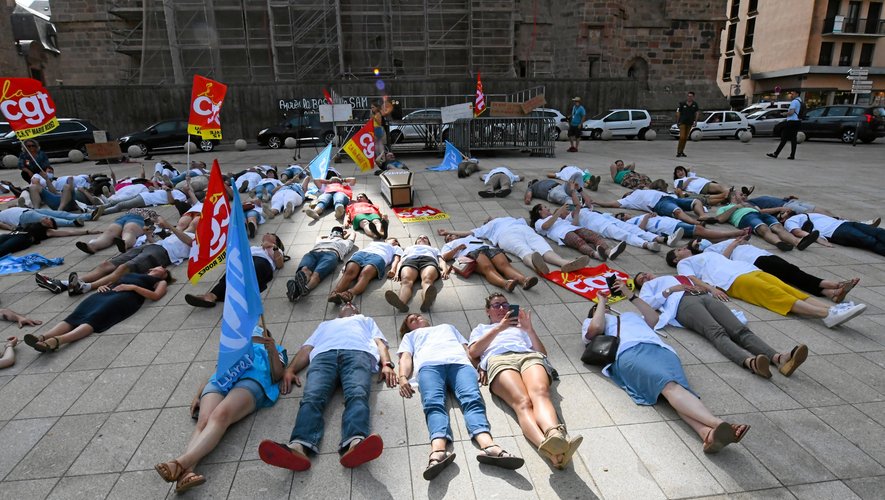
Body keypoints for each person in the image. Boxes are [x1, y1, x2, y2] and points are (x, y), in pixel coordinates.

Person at [583, 286, 750, 453]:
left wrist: (629, 295)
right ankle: (718, 424)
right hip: (630, 352)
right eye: (597, 309)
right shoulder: (591, 322)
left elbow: (654, 318)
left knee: (677, 390)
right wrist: (601, 302)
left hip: (662, 350)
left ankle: (707, 434)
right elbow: (594, 329)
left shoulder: (629, 316)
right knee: (670, 386)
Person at [258, 302, 397, 471]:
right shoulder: (324, 325)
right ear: (338, 312)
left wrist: (387, 364)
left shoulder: (365, 320)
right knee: (312, 398)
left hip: (357, 354)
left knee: (358, 394)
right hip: (324, 357)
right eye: (345, 303)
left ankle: (356, 442)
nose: (348, 304)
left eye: (352, 303)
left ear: (357, 310)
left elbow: (380, 343)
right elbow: (307, 348)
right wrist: (291, 369)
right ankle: (298, 447)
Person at [154, 328, 286, 493]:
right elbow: (217, 369)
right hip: (223, 378)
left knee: (221, 415)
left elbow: (278, 375)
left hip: (252, 379)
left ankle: (179, 463)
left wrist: (272, 349)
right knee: (203, 421)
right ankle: (186, 473)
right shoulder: (232, 347)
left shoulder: (276, 349)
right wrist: (198, 394)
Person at [398, 314, 525, 480]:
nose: (416, 318)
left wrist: (480, 365)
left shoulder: (448, 327)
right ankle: (438, 452)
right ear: (408, 328)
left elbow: (467, 349)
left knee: (473, 400)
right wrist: (402, 377)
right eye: (411, 320)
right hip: (429, 367)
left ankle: (489, 446)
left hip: (460, 365)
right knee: (433, 404)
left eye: (418, 316)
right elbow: (406, 357)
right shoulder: (410, 336)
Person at [468, 293, 582, 469]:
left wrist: (529, 329)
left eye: (505, 305)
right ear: (488, 311)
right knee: (522, 402)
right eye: (496, 305)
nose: (501, 308)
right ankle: (551, 449)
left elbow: (542, 353)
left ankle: (554, 435)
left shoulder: (521, 328)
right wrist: (499, 328)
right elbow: (473, 352)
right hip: (499, 359)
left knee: (541, 393)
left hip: (528, 357)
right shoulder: (481, 328)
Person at [634, 271, 809, 378]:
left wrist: (705, 288)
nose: (645, 277)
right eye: (640, 279)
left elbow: (702, 283)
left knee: (739, 330)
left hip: (703, 297)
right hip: (683, 304)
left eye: (644, 274)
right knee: (716, 332)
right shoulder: (650, 286)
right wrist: (669, 290)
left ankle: (779, 358)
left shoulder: (676, 276)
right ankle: (750, 362)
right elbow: (648, 304)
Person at [666, 247, 866, 328]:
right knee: (775, 295)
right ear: (676, 258)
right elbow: (690, 278)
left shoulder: (708, 253)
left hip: (747, 269)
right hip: (732, 280)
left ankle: (833, 309)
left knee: (789, 290)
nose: (684, 248)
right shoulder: (684, 263)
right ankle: (825, 315)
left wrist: (736, 242)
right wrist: (712, 289)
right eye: (678, 250)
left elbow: (725, 256)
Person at [24, 266, 171, 352]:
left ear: (164, 274)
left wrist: (132, 287)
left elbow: (156, 296)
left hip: (125, 297)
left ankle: (58, 341)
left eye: (161, 269)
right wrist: (102, 285)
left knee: (95, 318)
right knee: (77, 315)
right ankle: (42, 337)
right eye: (157, 267)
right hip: (108, 292)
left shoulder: (160, 281)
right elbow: (113, 280)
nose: (158, 269)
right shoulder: (136, 273)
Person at [36, 217, 191, 297]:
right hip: (153, 246)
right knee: (106, 265)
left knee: (125, 268)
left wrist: (170, 226)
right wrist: (148, 234)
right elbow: (162, 241)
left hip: (162, 254)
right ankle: (63, 284)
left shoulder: (204, 239)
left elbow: (190, 242)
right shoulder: (183, 232)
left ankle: (84, 287)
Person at [690, 235, 859, 303]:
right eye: (696, 243)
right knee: (793, 273)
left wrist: (740, 239)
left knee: (792, 276)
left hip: (761, 256)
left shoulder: (717, 244)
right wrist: (734, 243)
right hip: (754, 261)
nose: (700, 241)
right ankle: (833, 285)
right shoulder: (708, 252)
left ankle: (829, 294)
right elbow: (723, 260)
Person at [437, 217, 590, 276]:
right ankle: (537, 266)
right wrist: (449, 231)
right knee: (525, 251)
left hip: (526, 230)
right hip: (506, 235)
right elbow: (468, 232)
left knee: (545, 249)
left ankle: (565, 264)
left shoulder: (514, 218)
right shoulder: (488, 226)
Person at [185, 233, 285, 307]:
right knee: (230, 273)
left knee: (249, 272)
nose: (267, 234)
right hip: (247, 261)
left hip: (262, 263)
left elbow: (279, 264)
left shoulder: (276, 249)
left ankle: (237, 296)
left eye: (271, 234)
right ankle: (211, 296)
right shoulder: (254, 248)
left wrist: (274, 247)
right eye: (266, 233)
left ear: (275, 240)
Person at [707, 190, 820, 251]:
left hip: (759, 214)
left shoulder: (748, 204)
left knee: (778, 227)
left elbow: (762, 211)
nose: (744, 196)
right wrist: (736, 207)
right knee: (763, 229)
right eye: (741, 194)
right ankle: (779, 243)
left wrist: (780, 211)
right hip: (745, 217)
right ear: (733, 197)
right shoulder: (724, 208)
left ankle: (798, 242)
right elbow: (720, 219)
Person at [440, 233, 538, 291]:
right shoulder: (449, 245)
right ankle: (505, 283)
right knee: (488, 268)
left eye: (451, 235)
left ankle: (524, 280)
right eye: (448, 237)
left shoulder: (469, 237)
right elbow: (444, 257)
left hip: (488, 248)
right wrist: (456, 249)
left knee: (505, 265)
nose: (450, 236)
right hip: (472, 253)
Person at [530, 202, 624, 261]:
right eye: (545, 207)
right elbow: (546, 226)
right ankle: (596, 255)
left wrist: (577, 212)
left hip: (572, 228)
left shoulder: (555, 218)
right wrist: (559, 212)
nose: (548, 208)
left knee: (594, 236)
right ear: (539, 211)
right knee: (579, 242)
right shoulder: (539, 222)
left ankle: (608, 252)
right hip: (563, 234)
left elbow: (573, 224)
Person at [286, 226, 356, 302]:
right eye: (334, 232)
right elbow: (319, 236)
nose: (336, 233)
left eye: (339, 232)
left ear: (342, 234)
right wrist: (330, 236)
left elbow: (353, 233)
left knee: (316, 274)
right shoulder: (323, 240)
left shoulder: (346, 242)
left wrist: (343, 234)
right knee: (305, 269)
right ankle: (299, 288)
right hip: (313, 253)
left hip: (331, 254)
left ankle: (303, 289)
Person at [327, 238, 402, 305]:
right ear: (386, 240)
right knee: (349, 271)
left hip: (379, 257)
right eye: (395, 240)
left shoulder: (396, 248)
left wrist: (393, 270)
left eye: (397, 242)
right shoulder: (374, 242)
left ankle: (349, 294)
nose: (396, 242)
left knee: (365, 273)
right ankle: (335, 294)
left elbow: (396, 259)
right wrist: (348, 262)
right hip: (361, 254)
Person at [386, 235, 449, 313]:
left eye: (425, 238)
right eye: (419, 237)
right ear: (416, 242)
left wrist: (445, 270)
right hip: (410, 260)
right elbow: (401, 261)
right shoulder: (409, 248)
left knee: (428, 280)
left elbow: (441, 260)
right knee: (406, 280)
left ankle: (426, 302)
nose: (422, 238)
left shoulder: (434, 249)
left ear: (429, 243)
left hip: (428, 260)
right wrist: (397, 272)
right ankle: (401, 303)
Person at [780, 211, 885, 256]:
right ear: (782, 220)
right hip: (836, 231)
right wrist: (818, 239)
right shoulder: (789, 221)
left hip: (844, 223)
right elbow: (797, 231)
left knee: (878, 232)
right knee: (870, 240)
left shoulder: (804, 214)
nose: (786, 211)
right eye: (782, 214)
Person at [590, 188, 709, 225]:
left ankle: (702, 216)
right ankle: (696, 223)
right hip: (658, 203)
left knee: (696, 202)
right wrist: (596, 202)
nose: (629, 192)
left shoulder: (641, 190)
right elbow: (612, 203)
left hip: (669, 197)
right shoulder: (628, 200)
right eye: (627, 192)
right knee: (677, 212)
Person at [615, 212, 748, 243]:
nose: (624, 216)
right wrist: (646, 218)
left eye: (622, 214)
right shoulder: (629, 224)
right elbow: (640, 230)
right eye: (621, 217)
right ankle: (736, 233)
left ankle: (732, 238)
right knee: (701, 231)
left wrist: (651, 215)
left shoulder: (637, 215)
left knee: (701, 234)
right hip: (668, 227)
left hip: (669, 223)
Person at [73, 208, 158, 255]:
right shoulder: (129, 210)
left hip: (138, 219)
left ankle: (124, 243)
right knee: (109, 232)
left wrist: (150, 224)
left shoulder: (151, 212)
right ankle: (92, 246)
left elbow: (158, 221)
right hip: (122, 219)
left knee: (129, 230)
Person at [0, 221, 97, 258]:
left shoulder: (48, 231)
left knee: (3, 249)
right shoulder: (35, 223)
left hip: (23, 238)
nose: (45, 219)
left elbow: (69, 232)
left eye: (48, 219)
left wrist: (87, 232)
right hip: (13, 234)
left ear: (50, 225)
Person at [767, 90, 801, 160]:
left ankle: (776, 154)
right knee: (793, 139)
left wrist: (784, 114)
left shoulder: (794, 102)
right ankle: (792, 155)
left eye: (793, 93)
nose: (792, 95)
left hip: (791, 121)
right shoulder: (800, 101)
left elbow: (791, 112)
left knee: (784, 138)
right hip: (797, 121)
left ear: (797, 94)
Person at [0, 206, 95, 230]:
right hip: (23, 217)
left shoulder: (4, 212)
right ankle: (73, 222)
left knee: (60, 213)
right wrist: (11, 228)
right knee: (49, 218)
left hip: (30, 210)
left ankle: (88, 216)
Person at [675, 91, 700, 158]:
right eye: (688, 96)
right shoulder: (682, 104)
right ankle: (678, 151)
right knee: (682, 137)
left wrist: (696, 121)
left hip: (690, 123)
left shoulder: (695, 104)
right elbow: (678, 113)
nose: (689, 97)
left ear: (693, 97)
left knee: (685, 138)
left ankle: (682, 151)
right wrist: (677, 122)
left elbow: (697, 113)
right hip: (682, 122)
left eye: (691, 96)